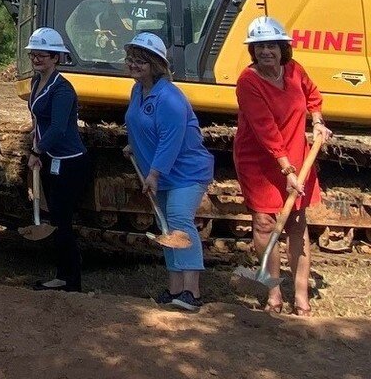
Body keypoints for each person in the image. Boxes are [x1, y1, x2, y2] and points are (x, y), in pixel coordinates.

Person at [233, 16, 332, 316]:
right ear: (253, 51)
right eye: (259, 46)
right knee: (264, 222)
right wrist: (287, 171)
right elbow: (265, 129)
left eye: (271, 46)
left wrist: (317, 122)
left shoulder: (294, 71)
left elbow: (313, 96)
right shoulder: (248, 81)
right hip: (260, 160)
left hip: (298, 154)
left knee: (297, 222)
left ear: (282, 48)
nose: (266, 52)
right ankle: (273, 293)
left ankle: (301, 297)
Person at [123, 32, 214, 313]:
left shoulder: (170, 97)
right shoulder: (138, 91)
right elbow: (143, 124)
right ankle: (175, 289)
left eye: (141, 61)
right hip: (160, 171)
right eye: (131, 60)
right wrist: (133, 144)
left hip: (185, 172)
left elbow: (171, 139)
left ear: (155, 65)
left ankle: (192, 292)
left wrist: (154, 174)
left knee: (178, 220)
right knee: (165, 226)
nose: (134, 65)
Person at [25, 26, 88, 292]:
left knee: (62, 220)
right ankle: (62, 273)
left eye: (43, 55)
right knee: (56, 218)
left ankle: (70, 279)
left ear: (56, 58)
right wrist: (37, 148)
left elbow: (59, 127)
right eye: (34, 55)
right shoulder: (35, 82)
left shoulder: (62, 89)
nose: (37, 59)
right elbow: (38, 121)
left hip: (70, 161)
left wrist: (37, 152)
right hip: (51, 157)